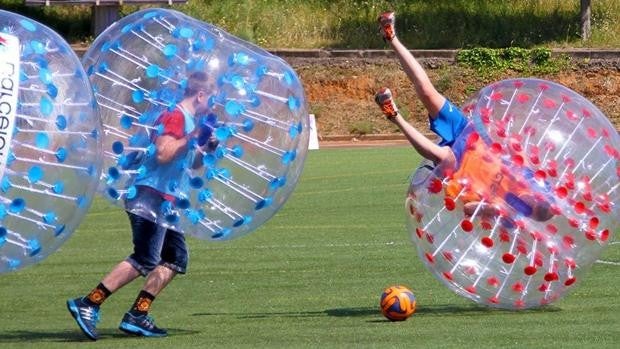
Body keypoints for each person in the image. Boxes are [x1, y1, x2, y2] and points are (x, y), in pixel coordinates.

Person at [67, 71, 217, 340]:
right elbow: (163, 153)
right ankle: (88, 303)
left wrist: (205, 149)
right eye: (212, 98)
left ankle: (138, 314)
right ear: (201, 94)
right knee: (146, 258)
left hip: (167, 200)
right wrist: (191, 137)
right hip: (149, 195)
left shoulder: (191, 121)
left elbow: (189, 162)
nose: (213, 104)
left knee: (174, 259)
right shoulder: (175, 115)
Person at [375, 11, 553, 222]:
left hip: (459, 172)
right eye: (535, 200)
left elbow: (468, 209)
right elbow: (513, 148)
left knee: (443, 157)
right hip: (471, 139)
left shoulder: (509, 218)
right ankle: (391, 37)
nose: (529, 201)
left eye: (531, 207)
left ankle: (394, 115)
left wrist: (493, 209)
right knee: (427, 92)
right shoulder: (533, 181)